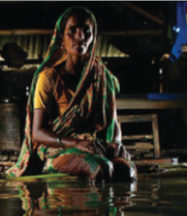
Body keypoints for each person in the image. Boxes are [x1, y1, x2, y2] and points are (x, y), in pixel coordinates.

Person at [7, 7, 136, 182]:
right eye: (72, 31)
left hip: (94, 145)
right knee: (101, 168)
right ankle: (93, 208)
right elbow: (37, 132)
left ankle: (111, 209)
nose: (80, 36)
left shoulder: (102, 76)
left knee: (126, 171)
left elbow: (112, 123)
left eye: (86, 31)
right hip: (59, 148)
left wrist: (115, 144)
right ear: (61, 38)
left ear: (93, 36)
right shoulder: (48, 78)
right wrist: (75, 143)